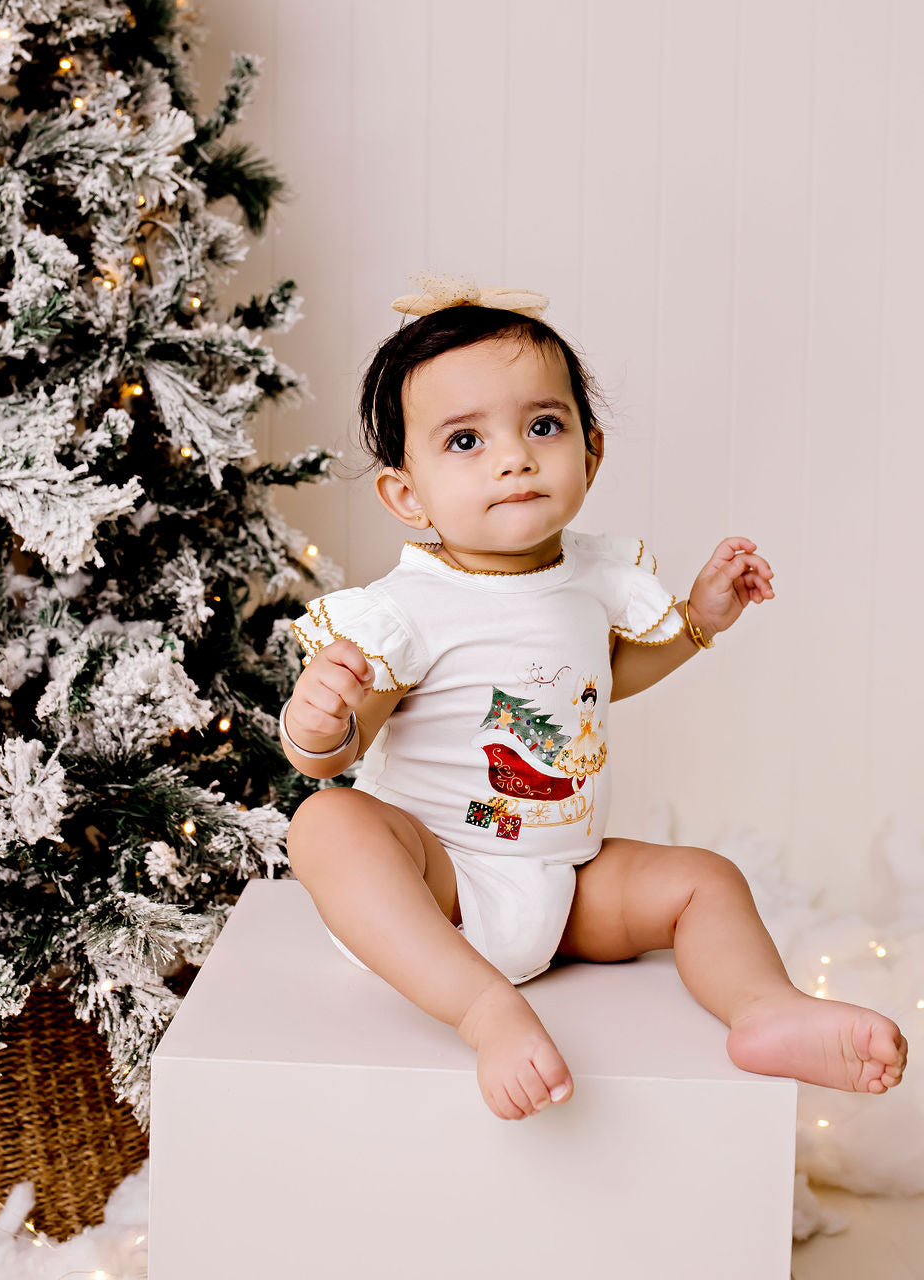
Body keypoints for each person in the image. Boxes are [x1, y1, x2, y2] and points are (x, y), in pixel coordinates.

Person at [279, 271, 908, 1121]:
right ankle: (483, 1007)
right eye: (465, 442)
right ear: (405, 493)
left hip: (564, 882)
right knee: (327, 824)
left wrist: (698, 623)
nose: (514, 456)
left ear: (591, 451)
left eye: (543, 425)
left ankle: (766, 1009)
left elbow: (603, 680)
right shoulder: (406, 609)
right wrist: (319, 725)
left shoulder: (590, 579)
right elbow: (343, 750)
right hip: (441, 883)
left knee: (704, 880)